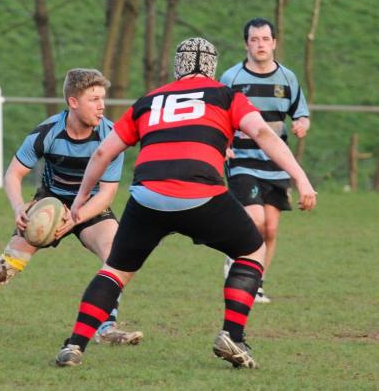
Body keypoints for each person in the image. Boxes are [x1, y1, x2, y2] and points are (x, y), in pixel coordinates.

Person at [54, 38, 317, 369]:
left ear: (177, 67)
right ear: (212, 68)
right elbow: (263, 133)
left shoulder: (148, 100)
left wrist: (80, 199)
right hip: (201, 192)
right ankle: (232, 336)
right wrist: (301, 178)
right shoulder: (226, 95)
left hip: (147, 194)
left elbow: (104, 151)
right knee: (252, 250)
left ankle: (75, 345)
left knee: (115, 271)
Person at [0, 68, 143, 346]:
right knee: (4, 268)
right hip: (50, 203)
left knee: (117, 255)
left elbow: (107, 193)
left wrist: (75, 218)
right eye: (94, 99)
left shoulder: (112, 135)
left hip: (89, 206)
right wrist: (19, 207)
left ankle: (107, 328)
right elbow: (13, 174)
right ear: (73, 102)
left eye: (103, 98)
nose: (102, 105)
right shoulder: (47, 132)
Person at [221, 17, 311, 304]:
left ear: (274, 42)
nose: (260, 44)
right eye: (254, 39)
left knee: (270, 228)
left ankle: (255, 283)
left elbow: (301, 112)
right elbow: (218, 117)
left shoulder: (288, 78)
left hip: (275, 162)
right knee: (255, 219)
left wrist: (301, 124)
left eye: (265, 39)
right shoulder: (231, 78)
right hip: (242, 160)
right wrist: (222, 144)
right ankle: (233, 255)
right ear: (246, 43)